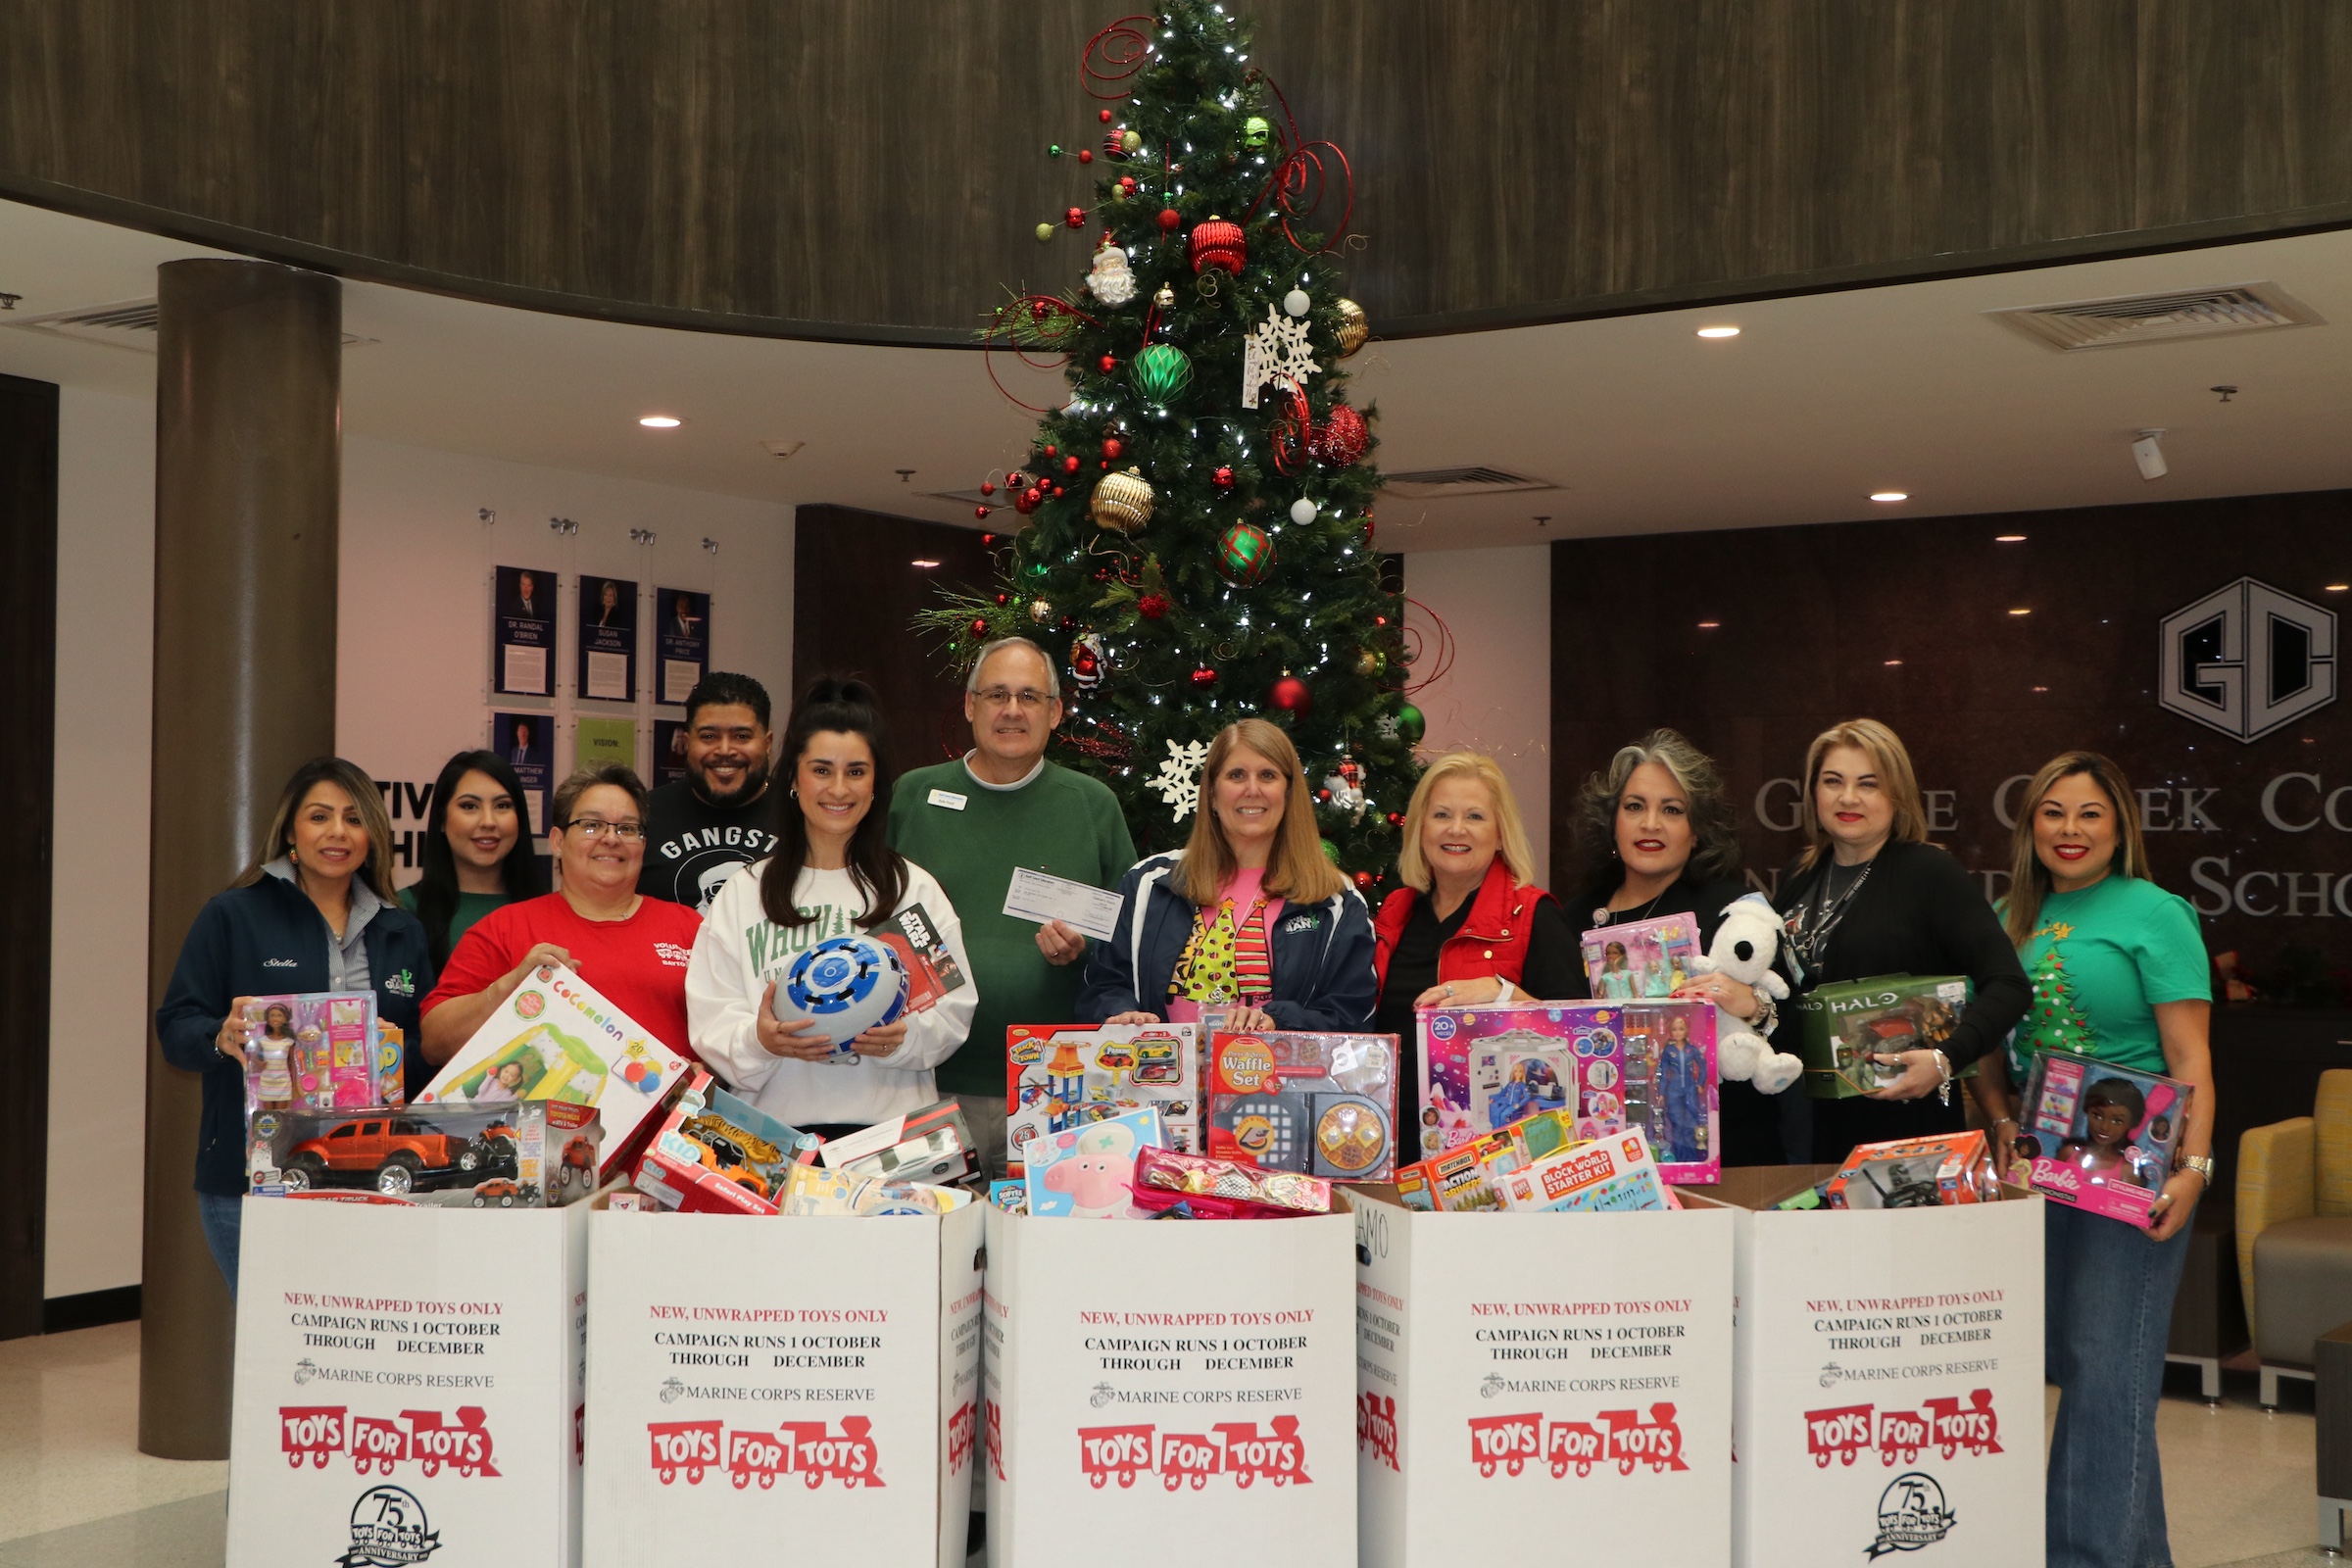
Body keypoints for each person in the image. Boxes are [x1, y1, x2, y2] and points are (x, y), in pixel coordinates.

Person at [1964, 752, 2214, 1568]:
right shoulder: (2008, 917)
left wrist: (2194, 1171)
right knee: (2084, 1372)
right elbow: (1986, 1051)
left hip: (2132, 1171)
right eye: (2053, 813)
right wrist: (1999, 1122)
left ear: (2119, 827)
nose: (2069, 831)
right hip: (2037, 1172)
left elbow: (2191, 1060)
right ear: (2030, 825)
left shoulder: (2156, 914)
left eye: (2089, 814)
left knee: (2109, 1378)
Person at [156, 758, 434, 1294]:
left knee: (362, 1346)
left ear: (373, 835)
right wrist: (221, 1036)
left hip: (373, 1175)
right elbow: (176, 1027)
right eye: (319, 816)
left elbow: (425, 1047)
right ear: (290, 830)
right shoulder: (233, 916)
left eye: (354, 819)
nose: (337, 832)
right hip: (253, 1177)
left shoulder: (403, 931)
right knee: (275, 1353)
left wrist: (394, 1055)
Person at [688, 678, 977, 1140]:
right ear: (793, 777)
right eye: (821, 770)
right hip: (772, 1142)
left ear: (876, 783)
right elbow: (711, 1019)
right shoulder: (744, 892)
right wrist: (761, 1041)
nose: (838, 790)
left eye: (856, 771)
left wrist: (903, 1039)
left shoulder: (912, 889)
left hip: (889, 1140)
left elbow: (953, 1012)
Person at [889, 637, 1136, 1172]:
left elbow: (1129, 943)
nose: (1012, 710)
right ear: (971, 705)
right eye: (997, 693)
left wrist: (1083, 948)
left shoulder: (1093, 805)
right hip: (925, 1083)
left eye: (1029, 696)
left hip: (1057, 1090)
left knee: (1046, 1250)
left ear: (1055, 712)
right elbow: (870, 919)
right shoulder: (914, 796)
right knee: (930, 1243)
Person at [1770, 719, 2030, 1160]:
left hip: (1899, 1122)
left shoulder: (1929, 873)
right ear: (1813, 791)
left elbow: (2009, 985)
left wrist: (1945, 1059)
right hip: (1804, 1122)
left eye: (1868, 784)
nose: (1848, 797)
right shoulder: (1801, 872)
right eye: (1833, 781)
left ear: (1897, 796)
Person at [1564, 729, 1796, 1164]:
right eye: (1635, 807)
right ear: (1612, 822)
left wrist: (1753, 1006)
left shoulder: (1733, 912)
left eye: (1671, 810)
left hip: (1728, 1159)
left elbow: (1800, 1033)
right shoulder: (1573, 919)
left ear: (1696, 831)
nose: (1650, 824)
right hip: (1606, 1160)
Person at [1078, 718, 1376, 1033]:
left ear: (1288, 794)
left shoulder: (1335, 899)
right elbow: (1103, 983)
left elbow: (1353, 1013)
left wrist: (1280, 1022)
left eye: (1267, 775)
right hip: (1161, 1078)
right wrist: (1119, 1013)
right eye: (1236, 775)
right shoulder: (1148, 884)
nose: (1252, 789)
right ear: (1212, 793)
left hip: (1281, 1080)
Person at [420, 763, 705, 1066]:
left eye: (627, 828)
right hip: (545, 1113)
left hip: (675, 1111)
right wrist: (508, 988)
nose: (611, 839)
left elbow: (729, 1035)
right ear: (557, 841)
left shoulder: (691, 928)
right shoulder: (504, 928)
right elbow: (435, 1042)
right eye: (592, 825)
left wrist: (705, 1071)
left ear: (643, 844)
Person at [1369, 751, 1579, 1098]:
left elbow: (1580, 1040)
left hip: (1491, 1142)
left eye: (1475, 816)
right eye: (1441, 814)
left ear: (1499, 834)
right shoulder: (1395, 911)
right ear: (1421, 827)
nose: (1456, 829)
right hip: (1390, 1137)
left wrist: (1505, 996)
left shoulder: (1535, 915)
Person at [400, 752, 549, 1093]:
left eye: (502, 806)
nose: (488, 821)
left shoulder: (548, 910)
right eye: (469, 806)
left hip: (531, 1096)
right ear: (440, 819)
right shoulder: (402, 911)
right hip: (429, 1102)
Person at [639, 671, 783, 914]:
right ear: (687, 742)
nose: (725, 750)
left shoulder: (803, 813)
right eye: (708, 736)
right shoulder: (643, 815)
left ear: (767, 744)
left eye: (742, 736)